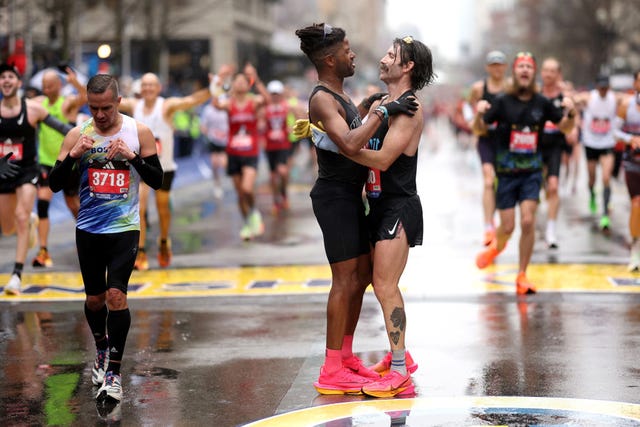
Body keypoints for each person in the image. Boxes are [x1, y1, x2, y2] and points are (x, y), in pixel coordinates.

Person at [295, 22, 417, 395]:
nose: (353, 55)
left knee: (361, 275)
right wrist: (383, 111)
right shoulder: (321, 98)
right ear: (330, 59)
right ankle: (332, 367)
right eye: (347, 50)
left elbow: (352, 125)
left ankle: (346, 357)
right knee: (345, 281)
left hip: (351, 197)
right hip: (334, 197)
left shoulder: (341, 96)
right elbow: (350, 142)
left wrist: (368, 107)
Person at [48, 74, 163, 403]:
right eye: (94, 108)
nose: (100, 115)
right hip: (88, 230)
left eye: (106, 108)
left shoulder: (138, 132)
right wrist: (74, 156)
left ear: (119, 102)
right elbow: (55, 184)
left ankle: (113, 372)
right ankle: (101, 348)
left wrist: (133, 157)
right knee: (95, 300)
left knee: (116, 296)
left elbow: (157, 180)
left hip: (125, 229)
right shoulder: (77, 134)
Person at [345, 35, 435, 397]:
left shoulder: (410, 107)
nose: (382, 59)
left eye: (390, 55)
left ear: (408, 65)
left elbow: (382, 159)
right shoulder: (384, 103)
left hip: (399, 207)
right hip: (376, 205)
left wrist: (343, 147)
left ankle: (400, 372)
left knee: (385, 286)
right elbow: (361, 137)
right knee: (372, 281)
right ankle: (402, 358)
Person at [473, 52, 576, 294]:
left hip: (531, 171)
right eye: (521, 66)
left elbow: (565, 128)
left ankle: (522, 275)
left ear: (533, 74)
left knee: (528, 220)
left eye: (530, 67)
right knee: (507, 226)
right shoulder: (501, 101)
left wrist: (570, 112)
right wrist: (479, 112)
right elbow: (479, 129)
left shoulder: (542, 103)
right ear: (515, 73)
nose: (525, 70)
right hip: (507, 172)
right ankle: (496, 248)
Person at [118, 72, 212, 270]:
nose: (148, 89)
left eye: (152, 85)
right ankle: (140, 252)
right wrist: (77, 83)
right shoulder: (135, 106)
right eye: (144, 85)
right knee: (139, 208)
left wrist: (213, 88)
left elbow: (191, 101)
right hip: (142, 167)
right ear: (140, 89)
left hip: (164, 168)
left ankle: (163, 241)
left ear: (159, 88)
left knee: (162, 210)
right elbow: (105, 98)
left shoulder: (166, 105)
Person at [0, 63, 73, 295]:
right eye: (2, 77)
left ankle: (16, 276)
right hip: (3, 173)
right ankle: (31, 221)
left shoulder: (32, 109)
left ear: (19, 83)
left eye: (11, 76)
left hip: (28, 171)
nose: (6, 80)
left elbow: (64, 128)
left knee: (21, 217)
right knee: (8, 226)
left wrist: (88, 134)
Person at [31, 67, 86, 267]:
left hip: (68, 163)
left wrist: (75, 82)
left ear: (59, 86)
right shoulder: (38, 104)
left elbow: (86, 97)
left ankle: (89, 236)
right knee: (42, 204)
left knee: (73, 204)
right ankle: (43, 250)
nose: (46, 88)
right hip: (46, 162)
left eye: (50, 85)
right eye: (44, 85)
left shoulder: (67, 103)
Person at [213, 64, 270, 240]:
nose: (238, 84)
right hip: (233, 152)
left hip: (251, 151)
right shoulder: (229, 104)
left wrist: (257, 79)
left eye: (242, 81)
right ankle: (247, 224)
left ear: (248, 84)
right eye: (236, 81)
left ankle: (254, 213)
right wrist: (218, 80)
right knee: (239, 193)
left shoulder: (253, 101)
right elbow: (215, 104)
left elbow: (267, 100)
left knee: (247, 189)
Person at [468, 50, 508, 246]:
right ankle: (487, 227)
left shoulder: (511, 88)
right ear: (487, 68)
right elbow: (469, 107)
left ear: (505, 67)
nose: (496, 68)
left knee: (499, 183)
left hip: (505, 140)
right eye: (493, 65)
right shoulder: (478, 88)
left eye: (499, 64)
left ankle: (493, 220)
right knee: (487, 180)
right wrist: (474, 119)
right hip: (485, 138)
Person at [573, 75, 621, 230]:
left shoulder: (615, 99)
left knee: (606, 178)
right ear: (596, 87)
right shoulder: (589, 98)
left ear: (609, 87)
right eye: (600, 88)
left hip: (607, 142)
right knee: (592, 178)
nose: (603, 91)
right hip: (591, 143)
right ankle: (592, 195)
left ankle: (605, 214)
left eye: (605, 87)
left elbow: (629, 98)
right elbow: (576, 99)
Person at [539, 57, 571, 248]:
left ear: (558, 74)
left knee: (553, 186)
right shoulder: (535, 94)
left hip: (555, 146)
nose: (549, 74)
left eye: (553, 70)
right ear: (541, 73)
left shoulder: (564, 97)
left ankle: (551, 230)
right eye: (546, 70)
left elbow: (572, 121)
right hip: (535, 145)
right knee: (539, 188)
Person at [614, 70, 640, 271]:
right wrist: (629, 139)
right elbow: (614, 131)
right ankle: (635, 250)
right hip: (632, 163)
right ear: (635, 83)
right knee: (636, 203)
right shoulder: (626, 105)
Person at [264, 79, 293, 215]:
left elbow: (300, 116)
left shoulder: (286, 106)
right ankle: (276, 201)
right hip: (270, 146)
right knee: (272, 177)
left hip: (283, 144)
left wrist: (291, 128)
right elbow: (258, 123)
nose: (275, 96)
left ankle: (284, 194)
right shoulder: (265, 108)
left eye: (277, 94)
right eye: (272, 94)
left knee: (283, 171)